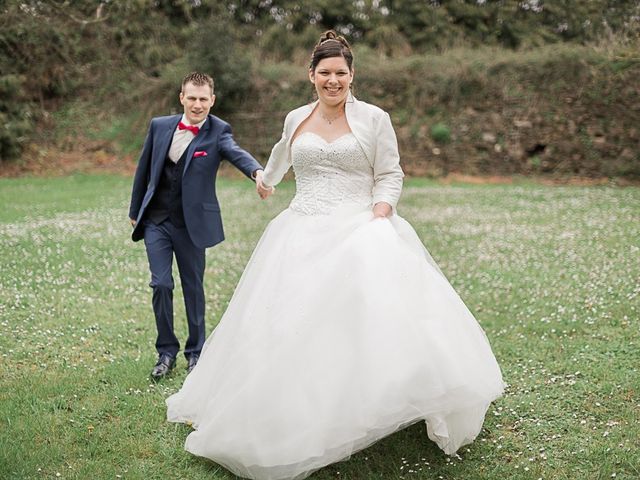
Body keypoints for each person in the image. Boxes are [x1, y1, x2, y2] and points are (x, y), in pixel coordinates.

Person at [166, 33, 505, 479]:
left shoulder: (374, 118)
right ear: (311, 76)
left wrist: (381, 213)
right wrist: (264, 180)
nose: (333, 80)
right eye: (324, 73)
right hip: (301, 227)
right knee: (290, 321)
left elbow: (390, 172)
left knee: (374, 309)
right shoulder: (296, 118)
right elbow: (280, 157)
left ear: (351, 75)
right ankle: (290, 402)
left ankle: (383, 396)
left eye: (340, 73)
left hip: (360, 224)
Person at [128, 72, 265, 380]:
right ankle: (165, 352)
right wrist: (135, 209)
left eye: (204, 99)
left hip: (191, 225)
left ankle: (196, 352)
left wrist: (257, 172)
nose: (198, 104)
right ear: (182, 98)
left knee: (193, 287)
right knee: (160, 284)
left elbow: (236, 154)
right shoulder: (160, 126)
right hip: (156, 221)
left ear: (212, 100)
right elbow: (143, 168)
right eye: (192, 98)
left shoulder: (218, 132)